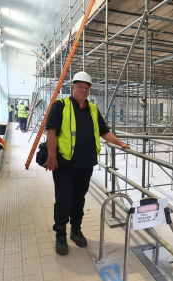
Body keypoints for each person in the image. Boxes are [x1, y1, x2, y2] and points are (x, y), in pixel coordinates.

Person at [44, 71, 130, 256]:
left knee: (79, 198)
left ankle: (76, 229)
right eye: (80, 87)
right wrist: (51, 157)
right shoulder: (61, 106)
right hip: (65, 164)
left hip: (86, 164)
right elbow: (51, 132)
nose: (83, 90)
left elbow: (104, 132)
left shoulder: (92, 109)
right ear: (72, 87)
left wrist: (121, 142)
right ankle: (60, 233)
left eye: (87, 88)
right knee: (63, 199)